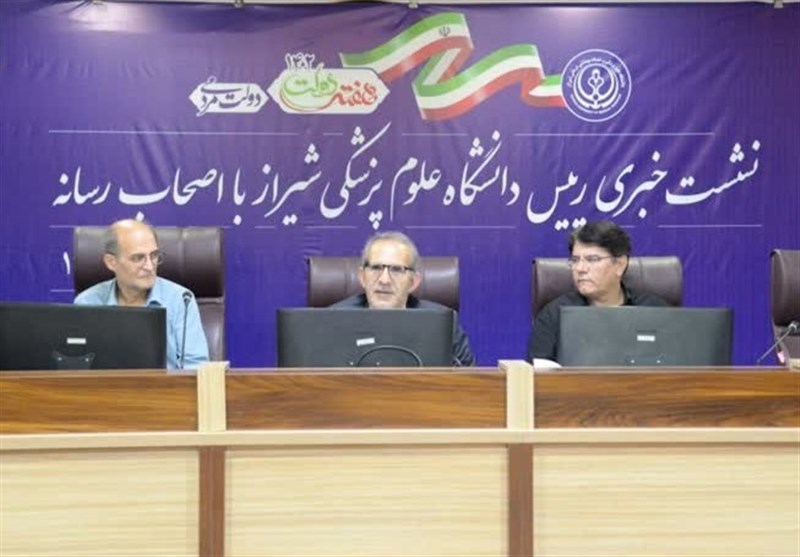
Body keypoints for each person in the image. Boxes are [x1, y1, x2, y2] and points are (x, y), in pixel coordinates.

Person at [74, 219, 209, 370]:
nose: (150, 266)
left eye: (154, 255)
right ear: (111, 262)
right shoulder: (88, 303)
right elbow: (79, 367)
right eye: (138, 258)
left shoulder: (181, 299)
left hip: (166, 385)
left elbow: (195, 368)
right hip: (106, 385)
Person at [528, 220, 667, 363]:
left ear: (620, 265)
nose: (580, 269)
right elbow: (538, 372)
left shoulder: (656, 312)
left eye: (592, 259)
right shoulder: (554, 315)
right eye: (575, 260)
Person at [330, 231, 476, 366]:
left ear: (413, 281)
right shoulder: (333, 322)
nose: (384, 280)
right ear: (362, 277)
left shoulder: (444, 326)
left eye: (396, 270)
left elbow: (468, 380)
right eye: (376, 268)